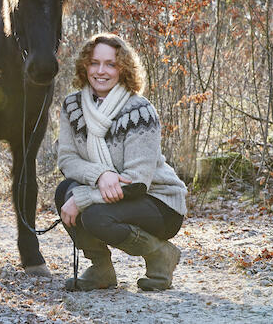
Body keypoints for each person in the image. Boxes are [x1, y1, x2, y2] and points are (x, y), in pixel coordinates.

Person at [55, 33, 188, 292]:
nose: (101, 71)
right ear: (85, 65)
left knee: (92, 214)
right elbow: (67, 159)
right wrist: (101, 174)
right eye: (94, 63)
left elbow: (137, 182)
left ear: (123, 68)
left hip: (158, 202)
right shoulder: (72, 106)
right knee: (64, 191)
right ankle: (100, 269)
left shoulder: (139, 110)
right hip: (112, 193)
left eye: (111, 64)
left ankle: (160, 253)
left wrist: (83, 197)